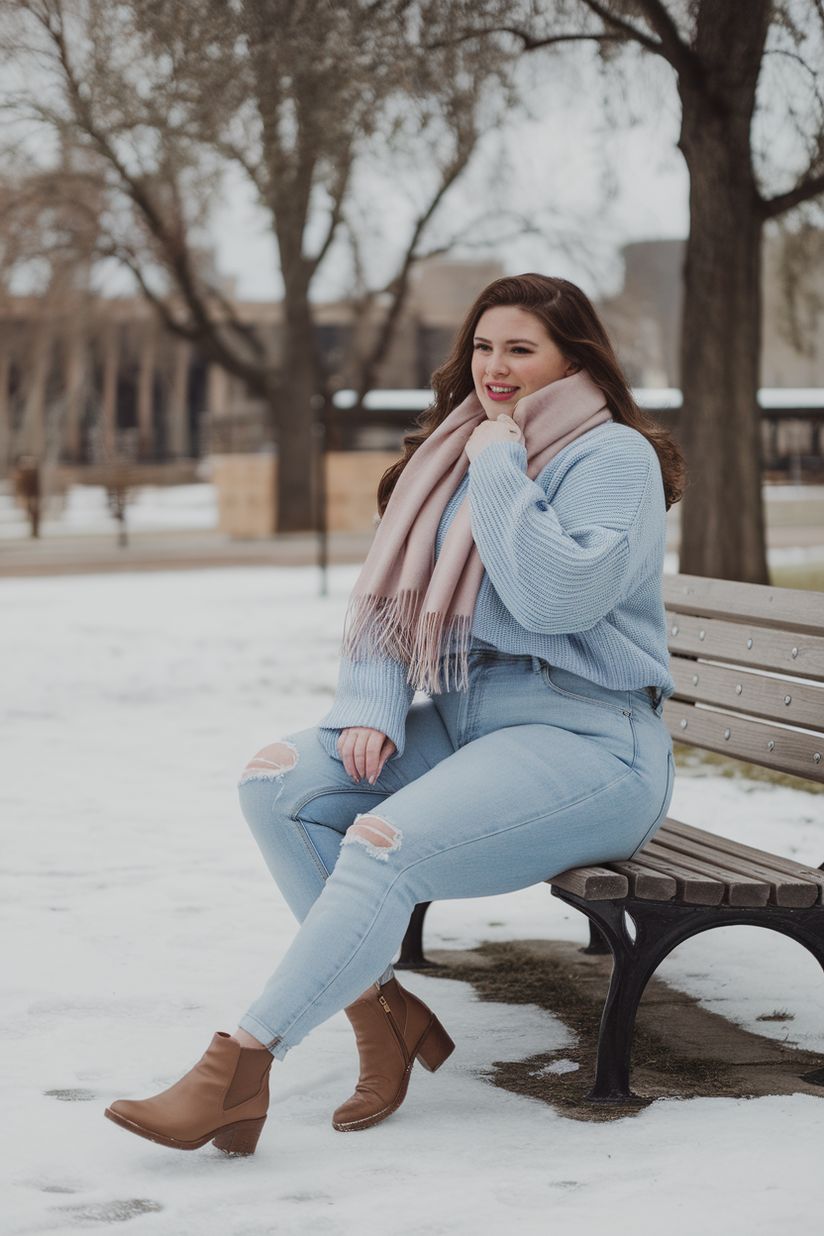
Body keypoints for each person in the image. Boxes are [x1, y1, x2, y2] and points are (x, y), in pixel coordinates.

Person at [105, 273, 684, 1156]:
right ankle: (385, 1017)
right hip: (465, 718)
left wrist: (500, 462)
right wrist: (373, 706)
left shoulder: (612, 460)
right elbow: (389, 603)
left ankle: (237, 1073)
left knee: (384, 845)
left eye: (522, 349)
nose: (496, 367)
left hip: (590, 739)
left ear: (575, 357)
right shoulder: (449, 451)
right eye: (485, 346)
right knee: (279, 784)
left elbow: (553, 597)